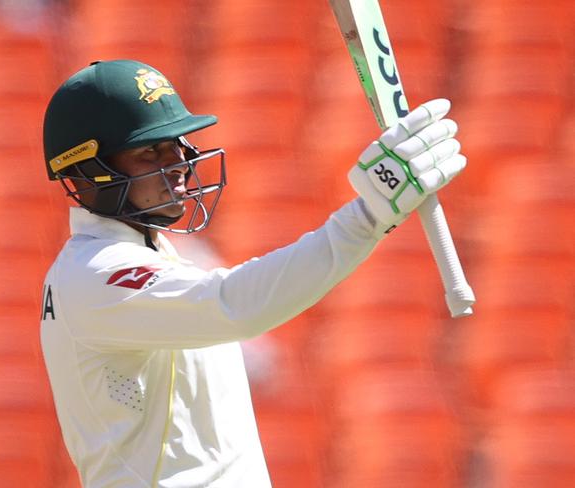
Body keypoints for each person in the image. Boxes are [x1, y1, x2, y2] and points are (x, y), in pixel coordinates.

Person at [40, 59, 466, 487]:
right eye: (150, 151)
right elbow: (236, 304)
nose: (179, 164)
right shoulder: (95, 274)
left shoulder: (151, 257)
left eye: (176, 145)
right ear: (89, 171)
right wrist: (369, 214)